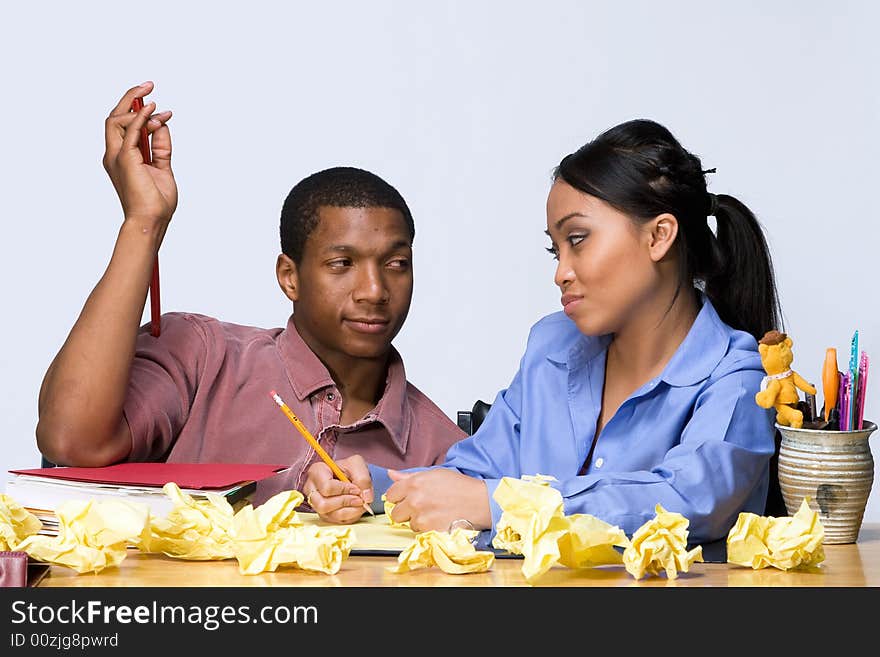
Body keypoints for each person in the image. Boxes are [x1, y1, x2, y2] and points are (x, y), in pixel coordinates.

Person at [304, 118, 782, 546]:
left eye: (578, 240)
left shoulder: (738, 379)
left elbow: (690, 500)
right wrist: (376, 487)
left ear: (659, 235)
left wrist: (498, 505)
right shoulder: (553, 349)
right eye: (556, 251)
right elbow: (477, 471)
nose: (562, 273)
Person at [35, 82, 465, 506]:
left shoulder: (445, 451)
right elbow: (70, 440)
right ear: (289, 277)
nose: (374, 291)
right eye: (342, 264)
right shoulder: (203, 357)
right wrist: (144, 221)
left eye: (396, 265)